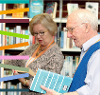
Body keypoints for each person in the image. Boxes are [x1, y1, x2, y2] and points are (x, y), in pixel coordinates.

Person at [41, 9, 100, 95]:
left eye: (71, 29)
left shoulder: (98, 52)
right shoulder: (87, 49)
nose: (68, 35)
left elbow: (92, 91)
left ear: (86, 27)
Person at [4, 13, 64, 95]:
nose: (38, 36)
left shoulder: (56, 55)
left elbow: (47, 85)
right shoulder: (35, 47)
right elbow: (16, 60)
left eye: (41, 32)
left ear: (50, 30)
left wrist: (24, 81)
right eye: (35, 33)